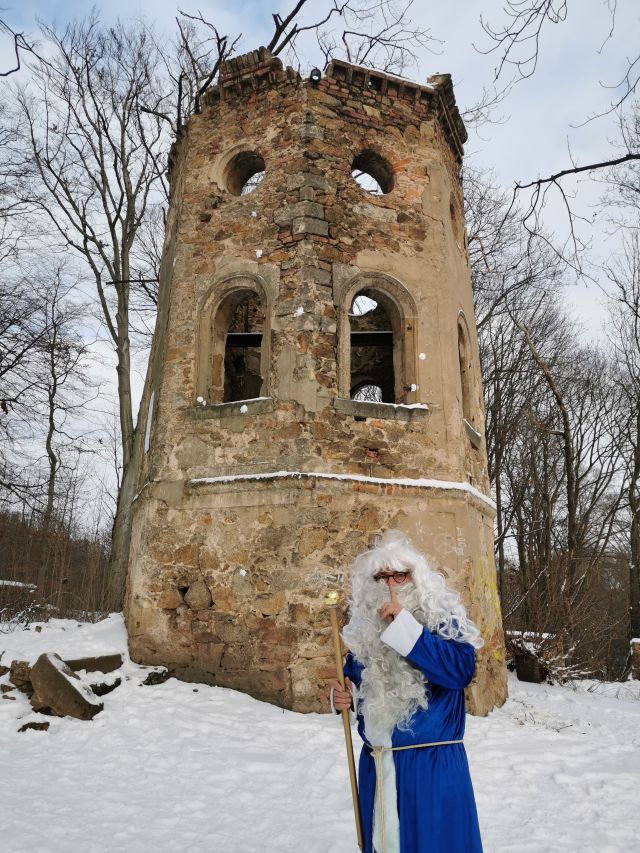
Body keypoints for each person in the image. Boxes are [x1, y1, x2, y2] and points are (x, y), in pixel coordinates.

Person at [330, 530, 484, 853]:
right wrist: (344, 695)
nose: (389, 585)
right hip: (378, 767)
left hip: (430, 772)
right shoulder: (365, 632)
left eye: (398, 575)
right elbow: (352, 682)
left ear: (415, 579)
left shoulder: (443, 622)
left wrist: (405, 628)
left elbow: (460, 671)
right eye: (381, 577)